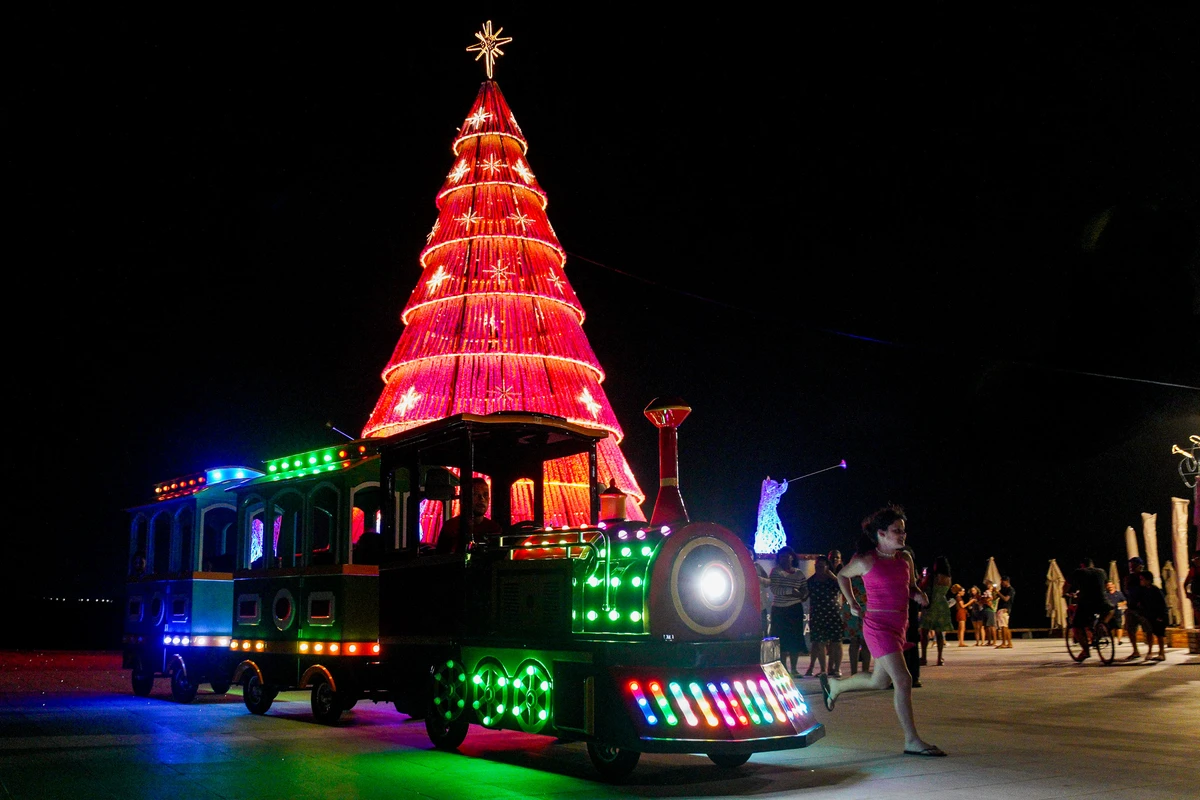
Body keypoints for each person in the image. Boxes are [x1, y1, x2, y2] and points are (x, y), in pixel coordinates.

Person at [819, 504, 946, 757]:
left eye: (903, 531)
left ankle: (835, 686)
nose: (902, 535)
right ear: (881, 534)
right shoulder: (867, 560)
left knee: (879, 681)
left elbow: (908, 587)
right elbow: (843, 575)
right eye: (896, 530)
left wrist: (917, 594)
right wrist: (852, 601)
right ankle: (911, 740)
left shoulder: (905, 559)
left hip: (899, 626)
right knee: (903, 680)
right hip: (877, 627)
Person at [769, 545, 809, 676]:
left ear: (792, 557)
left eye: (787, 557)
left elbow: (805, 589)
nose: (784, 559)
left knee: (795, 640)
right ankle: (783, 669)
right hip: (779, 610)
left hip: (794, 609)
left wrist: (802, 595)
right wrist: (792, 591)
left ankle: (794, 669)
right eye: (781, 557)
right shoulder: (775, 572)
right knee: (781, 641)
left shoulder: (799, 573)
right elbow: (775, 589)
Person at [436, 477, 500, 555]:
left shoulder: (494, 528)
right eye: (475, 494)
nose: (482, 498)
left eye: (485, 494)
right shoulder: (451, 527)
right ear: (464, 498)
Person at [804, 556, 845, 677]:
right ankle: (823, 670)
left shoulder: (832, 580)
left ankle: (836, 669)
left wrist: (832, 575)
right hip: (817, 614)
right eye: (817, 567)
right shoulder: (811, 581)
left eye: (821, 566)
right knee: (819, 642)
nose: (819, 569)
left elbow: (842, 587)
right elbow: (804, 596)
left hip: (833, 613)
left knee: (836, 641)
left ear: (827, 567)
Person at [1064, 557, 1111, 658]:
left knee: (1076, 626)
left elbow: (1066, 584)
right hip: (1103, 602)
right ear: (1092, 564)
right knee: (1110, 611)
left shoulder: (1079, 572)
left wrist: (1064, 593)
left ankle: (1086, 651)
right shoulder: (1102, 571)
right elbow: (1107, 586)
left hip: (1087, 603)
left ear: (1082, 565)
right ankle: (1102, 625)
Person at [918, 556, 953, 665]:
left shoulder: (932, 577)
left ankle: (923, 657)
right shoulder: (948, 578)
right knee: (939, 633)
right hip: (942, 605)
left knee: (924, 632)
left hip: (931, 604)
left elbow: (921, 587)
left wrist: (921, 579)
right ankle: (939, 658)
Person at [842, 573, 872, 674]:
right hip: (852, 608)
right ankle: (853, 673)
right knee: (854, 641)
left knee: (866, 642)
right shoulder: (850, 571)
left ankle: (865, 671)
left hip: (868, 607)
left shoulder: (870, 569)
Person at [1136, 571, 1168, 661]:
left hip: (1158, 615)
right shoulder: (1143, 591)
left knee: (1159, 634)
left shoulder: (1156, 590)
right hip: (1149, 615)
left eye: (1142, 579)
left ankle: (1161, 653)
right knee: (1149, 633)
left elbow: (1162, 604)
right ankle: (1149, 652)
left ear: (1148, 580)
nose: (1141, 581)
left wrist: (1161, 616)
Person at [1122, 557, 1150, 660]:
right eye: (1131, 566)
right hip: (1131, 607)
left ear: (1140, 566)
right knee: (1130, 630)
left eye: (1133, 565)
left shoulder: (1144, 576)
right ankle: (1135, 651)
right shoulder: (1128, 578)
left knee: (1147, 630)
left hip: (1143, 608)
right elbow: (1126, 590)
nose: (1132, 568)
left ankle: (1150, 651)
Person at [995, 576, 1015, 649]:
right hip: (1001, 609)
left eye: (1002, 582)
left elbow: (1006, 599)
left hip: (1005, 609)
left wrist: (998, 592)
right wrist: (994, 592)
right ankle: (1009, 643)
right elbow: (995, 598)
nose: (1001, 583)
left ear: (1007, 581)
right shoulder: (1003, 589)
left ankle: (1004, 643)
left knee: (1004, 627)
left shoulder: (1010, 590)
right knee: (1005, 627)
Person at [1104, 580, 1126, 645]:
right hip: (1108, 613)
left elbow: (1125, 601)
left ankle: (1119, 640)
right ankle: (1112, 640)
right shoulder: (1105, 594)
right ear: (1106, 586)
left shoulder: (1119, 593)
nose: (1110, 586)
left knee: (1119, 626)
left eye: (1111, 585)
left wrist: (1121, 604)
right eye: (1108, 585)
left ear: (1114, 585)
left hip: (1117, 612)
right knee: (1110, 627)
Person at [755, 560, 772, 637]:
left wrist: (760, 579)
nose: (749, 555)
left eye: (750, 553)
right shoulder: (740, 565)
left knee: (763, 627)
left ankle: (764, 646)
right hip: (746, 605)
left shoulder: (757, 566)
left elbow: (769, 582)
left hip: (761, 604)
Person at [980, 581, 997, 645]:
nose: (988, 586)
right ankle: (989, 641)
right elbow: (983, 600)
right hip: (986, 610)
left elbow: (990, 600)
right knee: (987, 626)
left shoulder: (993, 593)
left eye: (989, 585)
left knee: (992, 626)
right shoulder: (986, 592)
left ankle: (994, 641)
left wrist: (990, 605)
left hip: (991, 611)